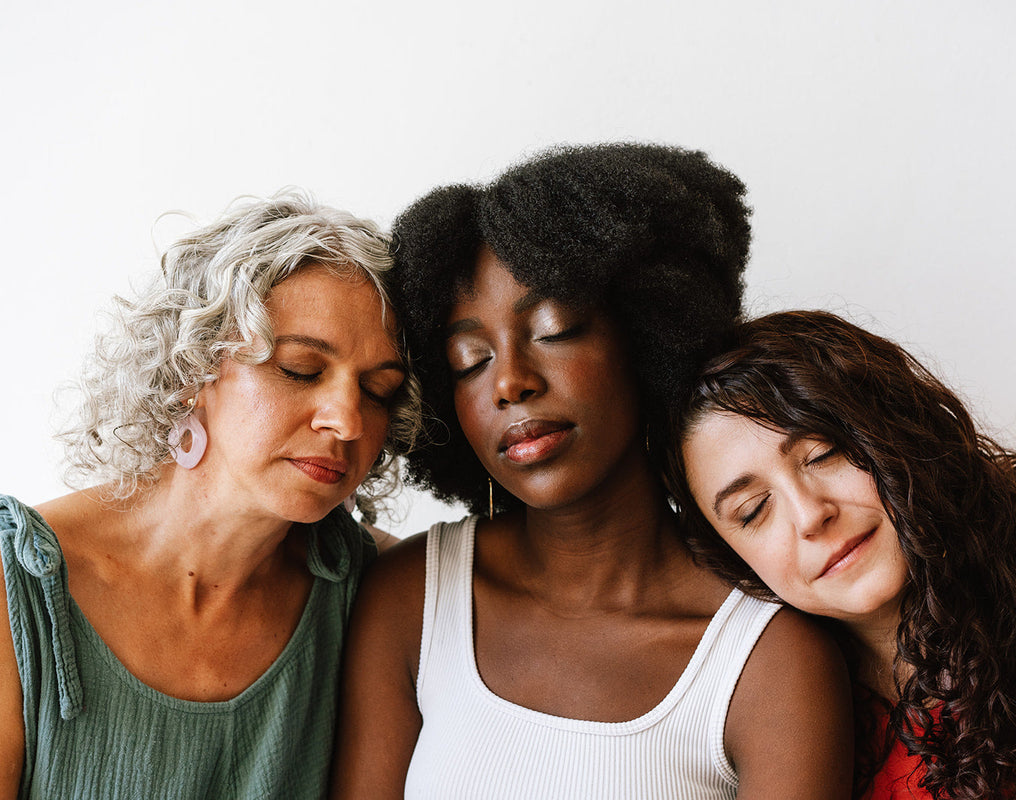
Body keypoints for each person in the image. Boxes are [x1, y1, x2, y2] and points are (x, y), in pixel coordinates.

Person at [332, 144, 852, 799]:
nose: (511, 383)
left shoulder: (768, 661)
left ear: (645, 336)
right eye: (470, 361)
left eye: (554, 329)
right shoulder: (412, 598)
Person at [668, 309, 1016, 800]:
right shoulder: (810, 746)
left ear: (892, 429)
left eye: (823, 454)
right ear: (732, 560)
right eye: (754, 510)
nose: (810, 515)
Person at [0, 191, 421, 799]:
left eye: (378, 390)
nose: (348, 421)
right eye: (301, 369)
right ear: (192, 368)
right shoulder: (20, 588)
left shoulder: (376, 590)